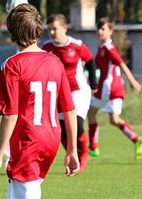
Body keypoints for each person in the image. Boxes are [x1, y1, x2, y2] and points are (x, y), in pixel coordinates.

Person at [0, 4, 79, 199]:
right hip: (51, 139)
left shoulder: (12, 65)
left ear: (13, 32)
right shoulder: (55, 61)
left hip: (28, 141)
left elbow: (10, 114)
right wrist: (71, 149)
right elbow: (69, 109)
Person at [42, 14, 97, 172]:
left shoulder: (76, 45)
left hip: (77, 91)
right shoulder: (46, 47)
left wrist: (93, 83)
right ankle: (72, 155)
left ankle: (84, 154)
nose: (52, 32)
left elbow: (90, 61)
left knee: (76, 125)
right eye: (49, 29)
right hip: (58, 93)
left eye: (55, 29)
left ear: (64, 28)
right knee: (61, 130)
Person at [87, 17, 142, 160]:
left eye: (103, 29)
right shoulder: (102, 47)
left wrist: (133, 81)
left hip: (109, 87)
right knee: (114, 119)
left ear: (110, 31)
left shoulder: (108, 48)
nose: (100, 32)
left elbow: (121, 64)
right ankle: (136, 139)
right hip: (113, 88)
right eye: (99, 29)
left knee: (91, 113)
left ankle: (94, 147)